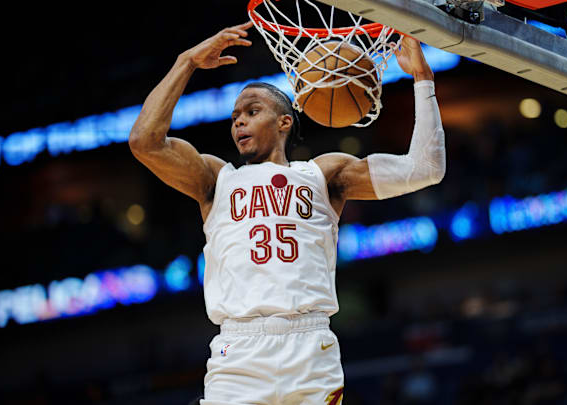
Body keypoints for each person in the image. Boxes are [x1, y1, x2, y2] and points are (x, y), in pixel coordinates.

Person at [129, 20, 445, 405]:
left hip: (310, 347)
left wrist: (422, 78)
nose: (239, 121)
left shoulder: (324, 174)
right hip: (239, 353)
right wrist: (186, 62)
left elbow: (426, 168)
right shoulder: (215, 179)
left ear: (284, 122)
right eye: (234, 117)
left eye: (251, 110)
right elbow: (144, 141)